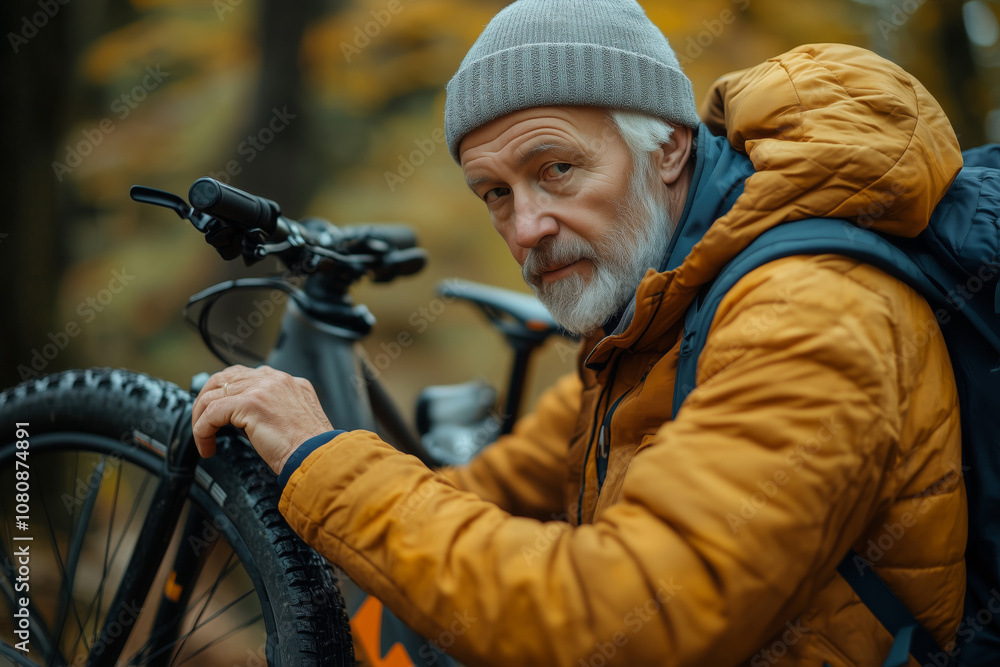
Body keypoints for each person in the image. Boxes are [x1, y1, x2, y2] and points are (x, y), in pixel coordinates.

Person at [190, 0, 968, 664]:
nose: (527, 227)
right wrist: (306, 496)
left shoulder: (804, 311)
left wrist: (324, 463)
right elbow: (505, 479)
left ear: (667, 147)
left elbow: (624, 617)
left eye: (556, 168)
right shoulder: (670, 303)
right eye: (494, 192)